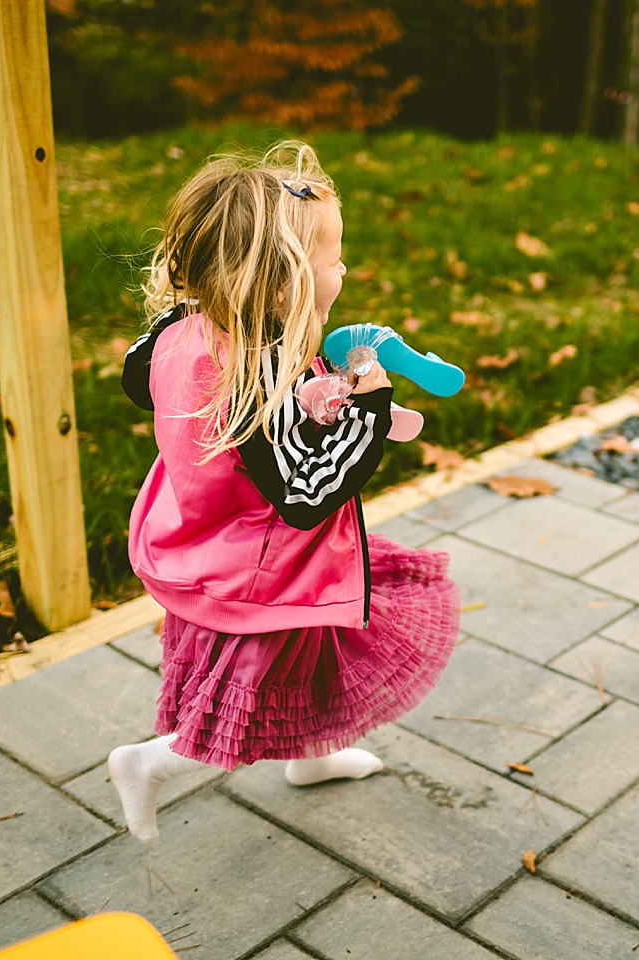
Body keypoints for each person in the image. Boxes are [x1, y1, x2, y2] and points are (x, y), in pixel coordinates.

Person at [106, 142, 460, 844]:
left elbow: (133, 377)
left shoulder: (187, 324)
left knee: (322, 660)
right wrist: (368, 411)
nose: (344, 269)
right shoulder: (252, 374)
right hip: (266, 571)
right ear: (280, 284)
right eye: (333, 260)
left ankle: (313, 759)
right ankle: (148, 764)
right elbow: (305, 494)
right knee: (260, 690)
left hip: (210, 530)